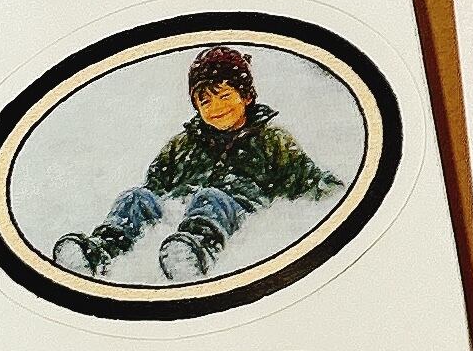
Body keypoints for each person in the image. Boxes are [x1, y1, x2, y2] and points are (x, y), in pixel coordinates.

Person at [49, 44, 341, 283]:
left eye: (225, 96)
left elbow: (307, 177)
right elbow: (156, 184)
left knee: (210, 197)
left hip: (234, 211)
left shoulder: (271, 139)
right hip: (178, 210)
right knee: (135, 197)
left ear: (246, 96)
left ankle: (194, 252)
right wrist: (146, 204)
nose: (217, 108)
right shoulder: (182, 145)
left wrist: (337, 193)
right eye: (205, 101)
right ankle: (100, 251)